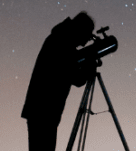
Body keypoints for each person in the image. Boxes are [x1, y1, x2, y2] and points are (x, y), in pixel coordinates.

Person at [21, 11, 96, 151]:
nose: (87, 40)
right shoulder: (62, 43)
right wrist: (88, 67)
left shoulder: (60, 39)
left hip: (42, 111)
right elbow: (76, 78)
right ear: (81, 29)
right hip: (44, 112)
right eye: (88, 34)